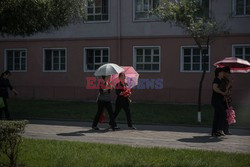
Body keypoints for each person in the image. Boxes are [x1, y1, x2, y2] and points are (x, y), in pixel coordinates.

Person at [211, 68, 227, 136]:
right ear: (219, 73)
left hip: (220, 100)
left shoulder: (221, 80)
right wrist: (222, 93)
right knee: (223, 113)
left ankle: (214, 131)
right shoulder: (216, 79)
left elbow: (225, 90)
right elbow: (214, 88)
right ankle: (219, 129)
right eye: (222, 72)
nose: (223, 73)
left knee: (217, 116)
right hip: (216, 100)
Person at [221, 66, 233, 135]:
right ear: (224, 73)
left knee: (229, 114)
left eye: (229, 73)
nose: (228, 74)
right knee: (225, 114)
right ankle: (223, 129)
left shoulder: (227, 80)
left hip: (228, 98)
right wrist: (229, 85)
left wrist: (230, 84)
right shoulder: (222, 80)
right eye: (227, 73)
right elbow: (224, 89)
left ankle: (226, 129)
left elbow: (229, 89)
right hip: (224, 99)